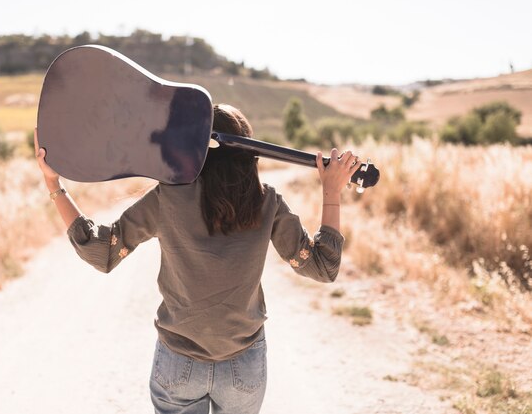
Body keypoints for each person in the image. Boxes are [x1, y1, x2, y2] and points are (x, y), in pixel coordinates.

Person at [34, 104, 360, 414]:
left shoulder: (168, 197)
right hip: (242, 365)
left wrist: (54, 184)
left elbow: (101, 251)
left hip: (178, 363)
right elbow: (322, 267)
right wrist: (331, 192)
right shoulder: (267, 202)